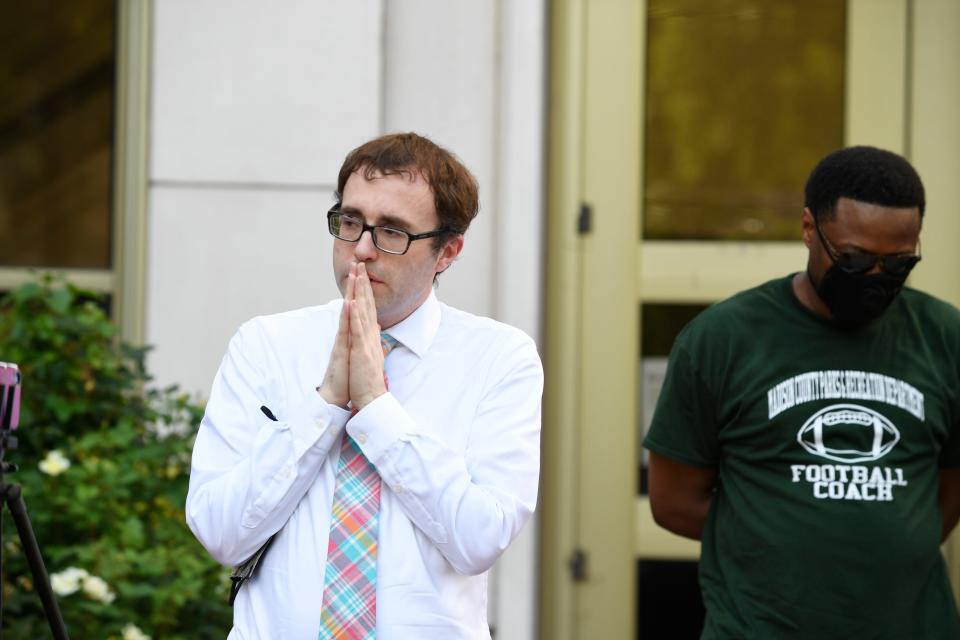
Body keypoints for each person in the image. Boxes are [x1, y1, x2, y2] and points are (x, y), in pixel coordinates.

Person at [186, 132, 543, 639]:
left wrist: (376, 409)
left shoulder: (499, 358)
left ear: (447, 251)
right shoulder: (266, 344)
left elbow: (479, 538)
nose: (362, 249)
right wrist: (326, 404)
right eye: (350, 221)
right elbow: (219, 533)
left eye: (393, 231)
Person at [644, 146, 960, 638]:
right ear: (809, 228)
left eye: (897, 264)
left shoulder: (945, 337)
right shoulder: (723, 339)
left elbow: (947, 490)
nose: (875, 279)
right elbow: (672, 501)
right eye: (854, 259)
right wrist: (781, 540)